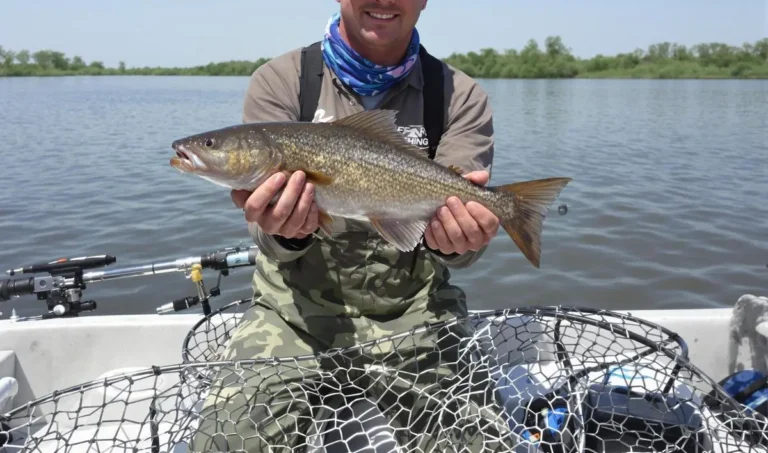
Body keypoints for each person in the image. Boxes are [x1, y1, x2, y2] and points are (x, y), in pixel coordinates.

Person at [191, 1, 516, 451]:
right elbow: (270, 241)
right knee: (225, 443)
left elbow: (462, 250)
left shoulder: (459, 95)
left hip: (417, 312)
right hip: (295, 315)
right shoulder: (281, 81)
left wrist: (460, 240)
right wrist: (287, 229)